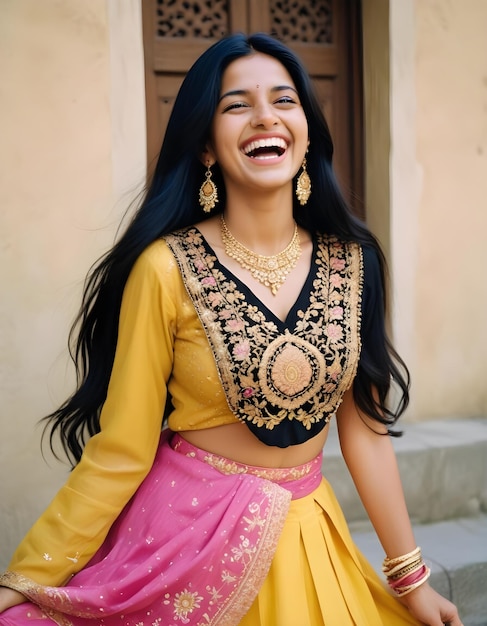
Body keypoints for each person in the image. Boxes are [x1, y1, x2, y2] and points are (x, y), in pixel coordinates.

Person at [0, 32, 461, 626]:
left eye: (284, 100)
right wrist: (30, 575)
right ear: (207, 146)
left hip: (309, 539)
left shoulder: (356, 262)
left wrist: (411, 580)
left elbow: (366, 435)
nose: (264, 117)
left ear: (306, 131)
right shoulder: (165, 269)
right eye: (236, 104)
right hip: (183, 540)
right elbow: (121, 451)